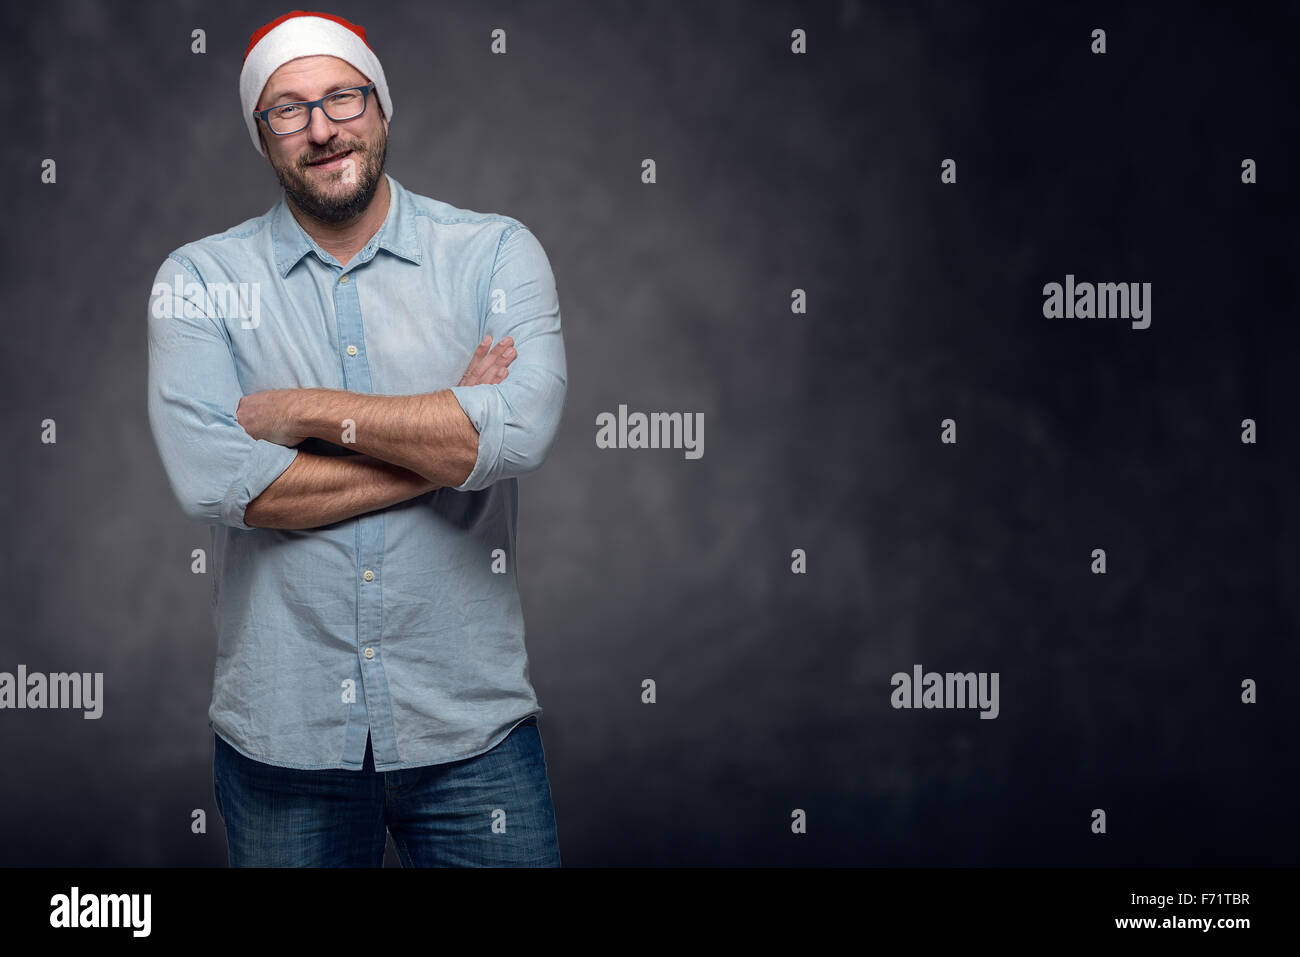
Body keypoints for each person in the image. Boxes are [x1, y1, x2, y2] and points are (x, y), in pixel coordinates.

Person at [145, 10, 567, 867]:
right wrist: (450, 440)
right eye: (288, 109)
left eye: (343, 97)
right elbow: (213, 478)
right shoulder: (200, 280)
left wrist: (300, 412)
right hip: (284, 739)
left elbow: (520, 430)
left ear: (380, 107)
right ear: (262, 135)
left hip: (471, 734)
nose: (322, 128)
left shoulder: (492, 253)